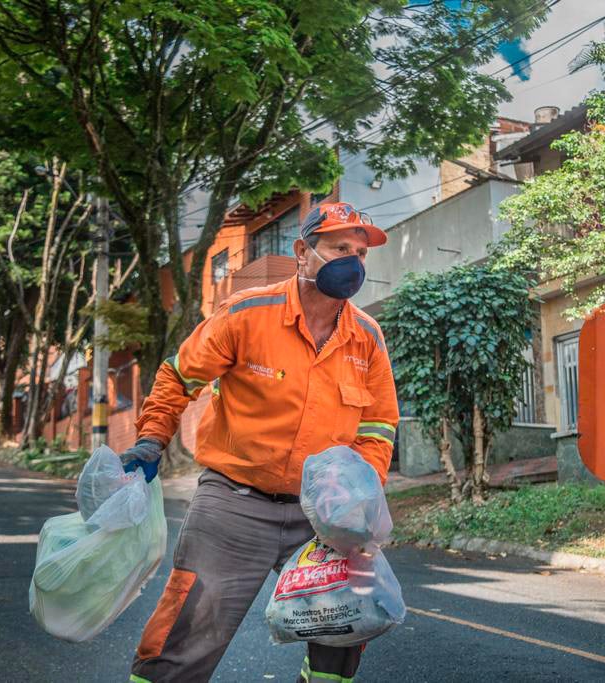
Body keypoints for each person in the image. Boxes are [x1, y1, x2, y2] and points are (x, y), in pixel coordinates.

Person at [123, 201, 399, 683]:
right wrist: (151, 439)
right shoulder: (247, 314)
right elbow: (178, 377)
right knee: (187, 633)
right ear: (302, 252)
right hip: (234, 505)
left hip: (324, 515)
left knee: (347, 625)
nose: (353, 262)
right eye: (339, 249)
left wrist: (360, 496)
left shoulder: (367, 337)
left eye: (359, 253)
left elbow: (377, 424)